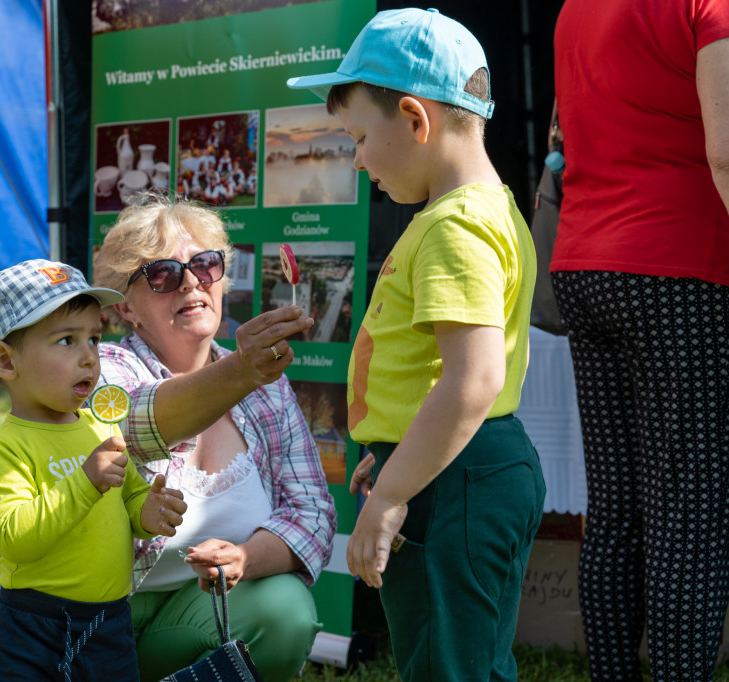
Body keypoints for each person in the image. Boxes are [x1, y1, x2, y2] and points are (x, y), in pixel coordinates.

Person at [0, 197, 337, 682]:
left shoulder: (267, 388)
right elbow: (135, 420)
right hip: (46, 618)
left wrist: (244, 557)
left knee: (285, 611)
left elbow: (313, 512)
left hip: (158, 619)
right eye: (163, 273)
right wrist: (241, 371)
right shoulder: (99, 368)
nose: (192, 280)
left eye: (205, 264)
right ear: (127, 310)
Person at [288, 8, 545, 681]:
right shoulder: (480, 211)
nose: (358, 158)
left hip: (453, 484)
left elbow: (472, 379)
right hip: (451, 469)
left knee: (446, 666)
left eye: (359, 137)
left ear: (414, 118)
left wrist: (392, 494)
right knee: (466, 658)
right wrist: (394, 457)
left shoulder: (454, 228)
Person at [550, 1, 729, 679]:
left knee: (619, 506)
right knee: (693, 506)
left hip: (586, 261)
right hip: (679, 264)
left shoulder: (575, 8)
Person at [0, 260, 188, 680]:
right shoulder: (5, 448)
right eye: (67, 341)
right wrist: (85, 481)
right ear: (5, 361)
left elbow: (127, 497)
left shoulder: (98, 428)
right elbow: (15, 538)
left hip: (110, 621)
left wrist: (148, 509)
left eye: (93, 338)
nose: (90, 357)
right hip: (35, 626)